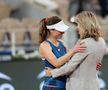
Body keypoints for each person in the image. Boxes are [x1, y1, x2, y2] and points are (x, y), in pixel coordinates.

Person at [45, 11, 106, 90]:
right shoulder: (101, 41)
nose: (77, 28)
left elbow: (70, 66)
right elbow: (96, 64)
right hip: (94, 86)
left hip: (80, 86)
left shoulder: (84, 43)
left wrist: (52, 73)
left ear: (85, 25)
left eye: (79, 25)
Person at [39, 16, 86, 90]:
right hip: (52, 86)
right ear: (51, 30)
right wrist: (72, 52)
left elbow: (70, 62)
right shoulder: (44, 45)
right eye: (60, 31)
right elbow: (56, 63)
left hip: (65, 85)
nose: (63, 33)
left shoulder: (63, 43)